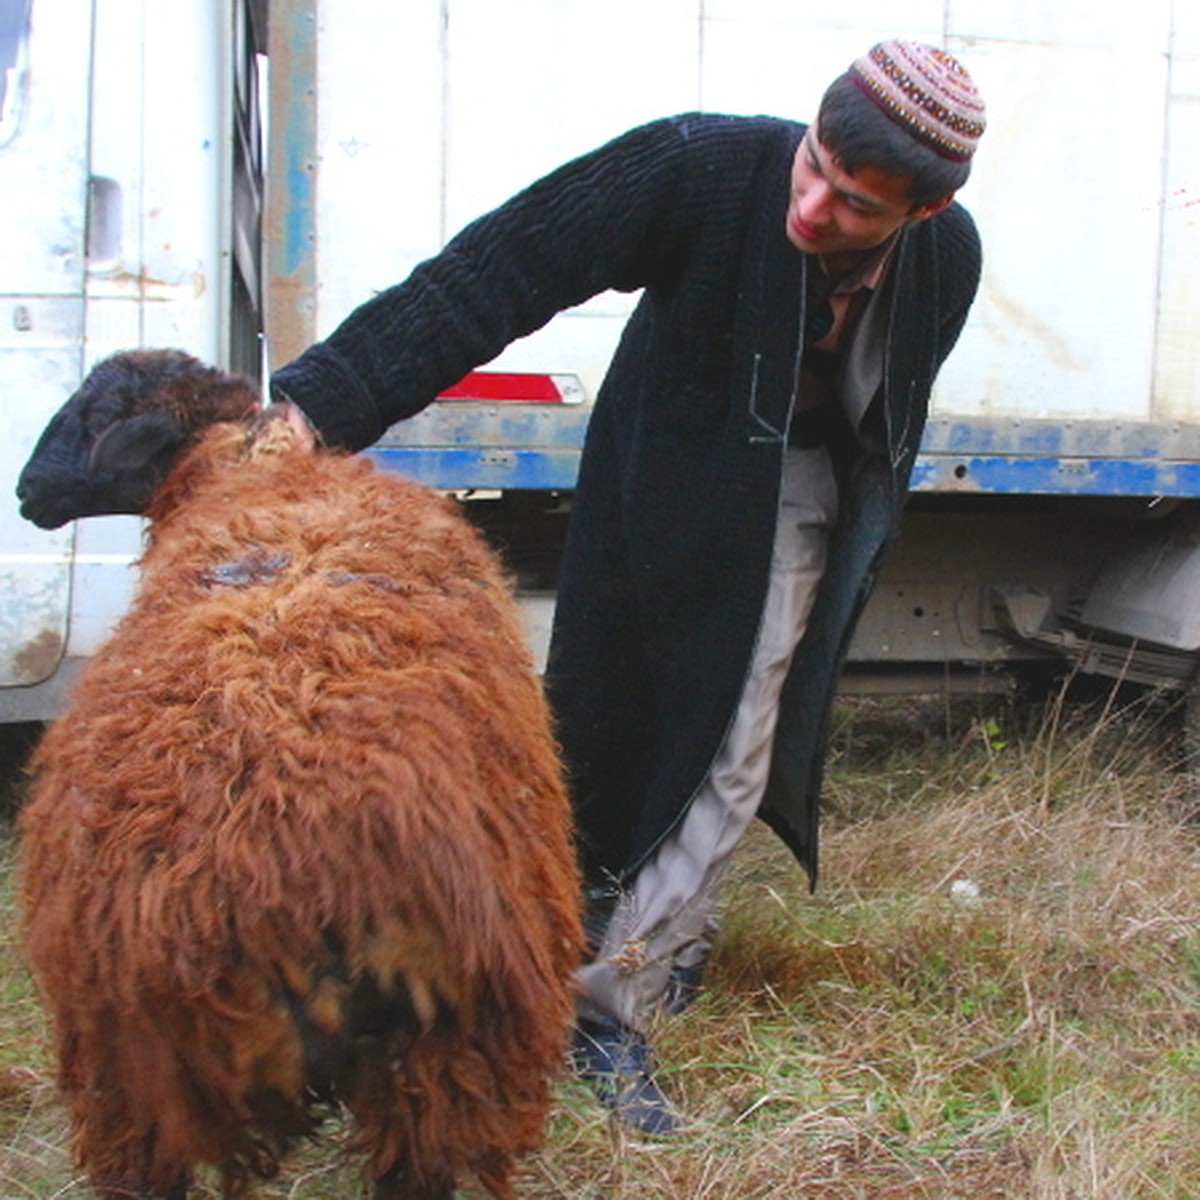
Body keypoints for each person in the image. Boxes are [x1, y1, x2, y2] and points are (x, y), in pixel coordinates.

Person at [271, 40, 986, 1135]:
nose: (810, 205)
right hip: (657, 468)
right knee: (595, 722)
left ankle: (611, 1008)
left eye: (851, 205)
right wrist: (313, 409)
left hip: (793, 491)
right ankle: (559, 920)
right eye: (811, 166)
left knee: (731, 742)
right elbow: (494, 273)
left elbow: (881, 418)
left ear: (920, 215)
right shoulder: (695, 168)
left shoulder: (950, 259)